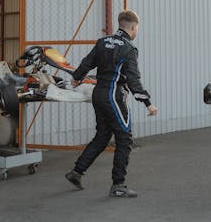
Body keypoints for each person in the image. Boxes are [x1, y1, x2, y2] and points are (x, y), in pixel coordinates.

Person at [64, 10, 158, 198]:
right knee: (125, 139)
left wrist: (76, 78)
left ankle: (76, 172)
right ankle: (118, 185)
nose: (136, 31)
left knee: (103, 135)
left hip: (98, 94)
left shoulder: (102, 42)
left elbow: (86, 63)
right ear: (132, 27)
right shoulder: (128, 48)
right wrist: (148, 103)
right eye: (137, 28)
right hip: (114, 96)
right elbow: (133, 80)